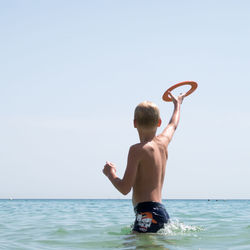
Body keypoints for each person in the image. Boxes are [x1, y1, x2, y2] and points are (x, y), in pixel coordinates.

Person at [103, 91, 185, 233]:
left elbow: (124, 188)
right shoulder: (163, 143)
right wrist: (177, 105)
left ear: (134, 123)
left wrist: (111, 174)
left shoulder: (136, 150)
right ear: (159, 122)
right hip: (161, 212)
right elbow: (173, 124)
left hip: (146, 212)